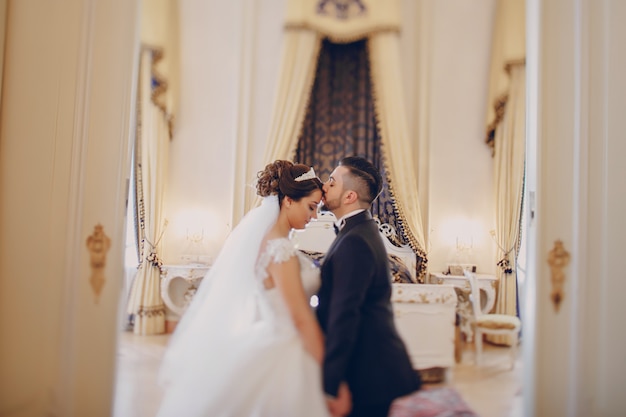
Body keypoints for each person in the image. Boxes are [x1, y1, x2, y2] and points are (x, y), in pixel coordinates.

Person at [156, 160, 331, 417]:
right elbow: (300, 318)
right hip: (286, 350)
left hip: (270, 336)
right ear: (289, 201)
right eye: (312, 207)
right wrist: (329, 372)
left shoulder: (271, 243)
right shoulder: (279, 250)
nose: (314, 216)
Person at [317, 156, 422, 417]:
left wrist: (331, 384)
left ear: (349, 196)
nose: (324, 186)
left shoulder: (355, 241)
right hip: (371, 367)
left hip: (369, 373)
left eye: (331, 182)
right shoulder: (357, 230)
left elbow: (345, 315)